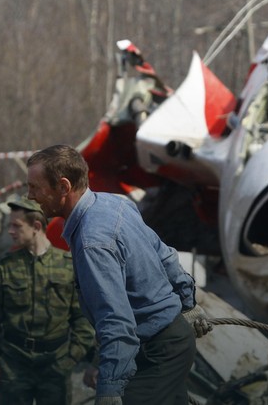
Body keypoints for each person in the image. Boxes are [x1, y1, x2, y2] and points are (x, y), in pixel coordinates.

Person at [25, 144, 210, 405]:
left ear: (64, 187)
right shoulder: (114, 203)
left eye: (35, 187)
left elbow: (115, 321)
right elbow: (165, 254)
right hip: (171, 341)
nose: (30, 196)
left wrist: (110, 388)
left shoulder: (92, 243)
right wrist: (188, 303)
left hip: (158, 352)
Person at [0, 197, 94, 405]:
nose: (10, 231)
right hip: (13, 364)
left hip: (55, 365)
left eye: (16, 226)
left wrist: (70, 359)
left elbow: (83, 320)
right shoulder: (4, 267)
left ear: (36, 227)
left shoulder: (69, 266)